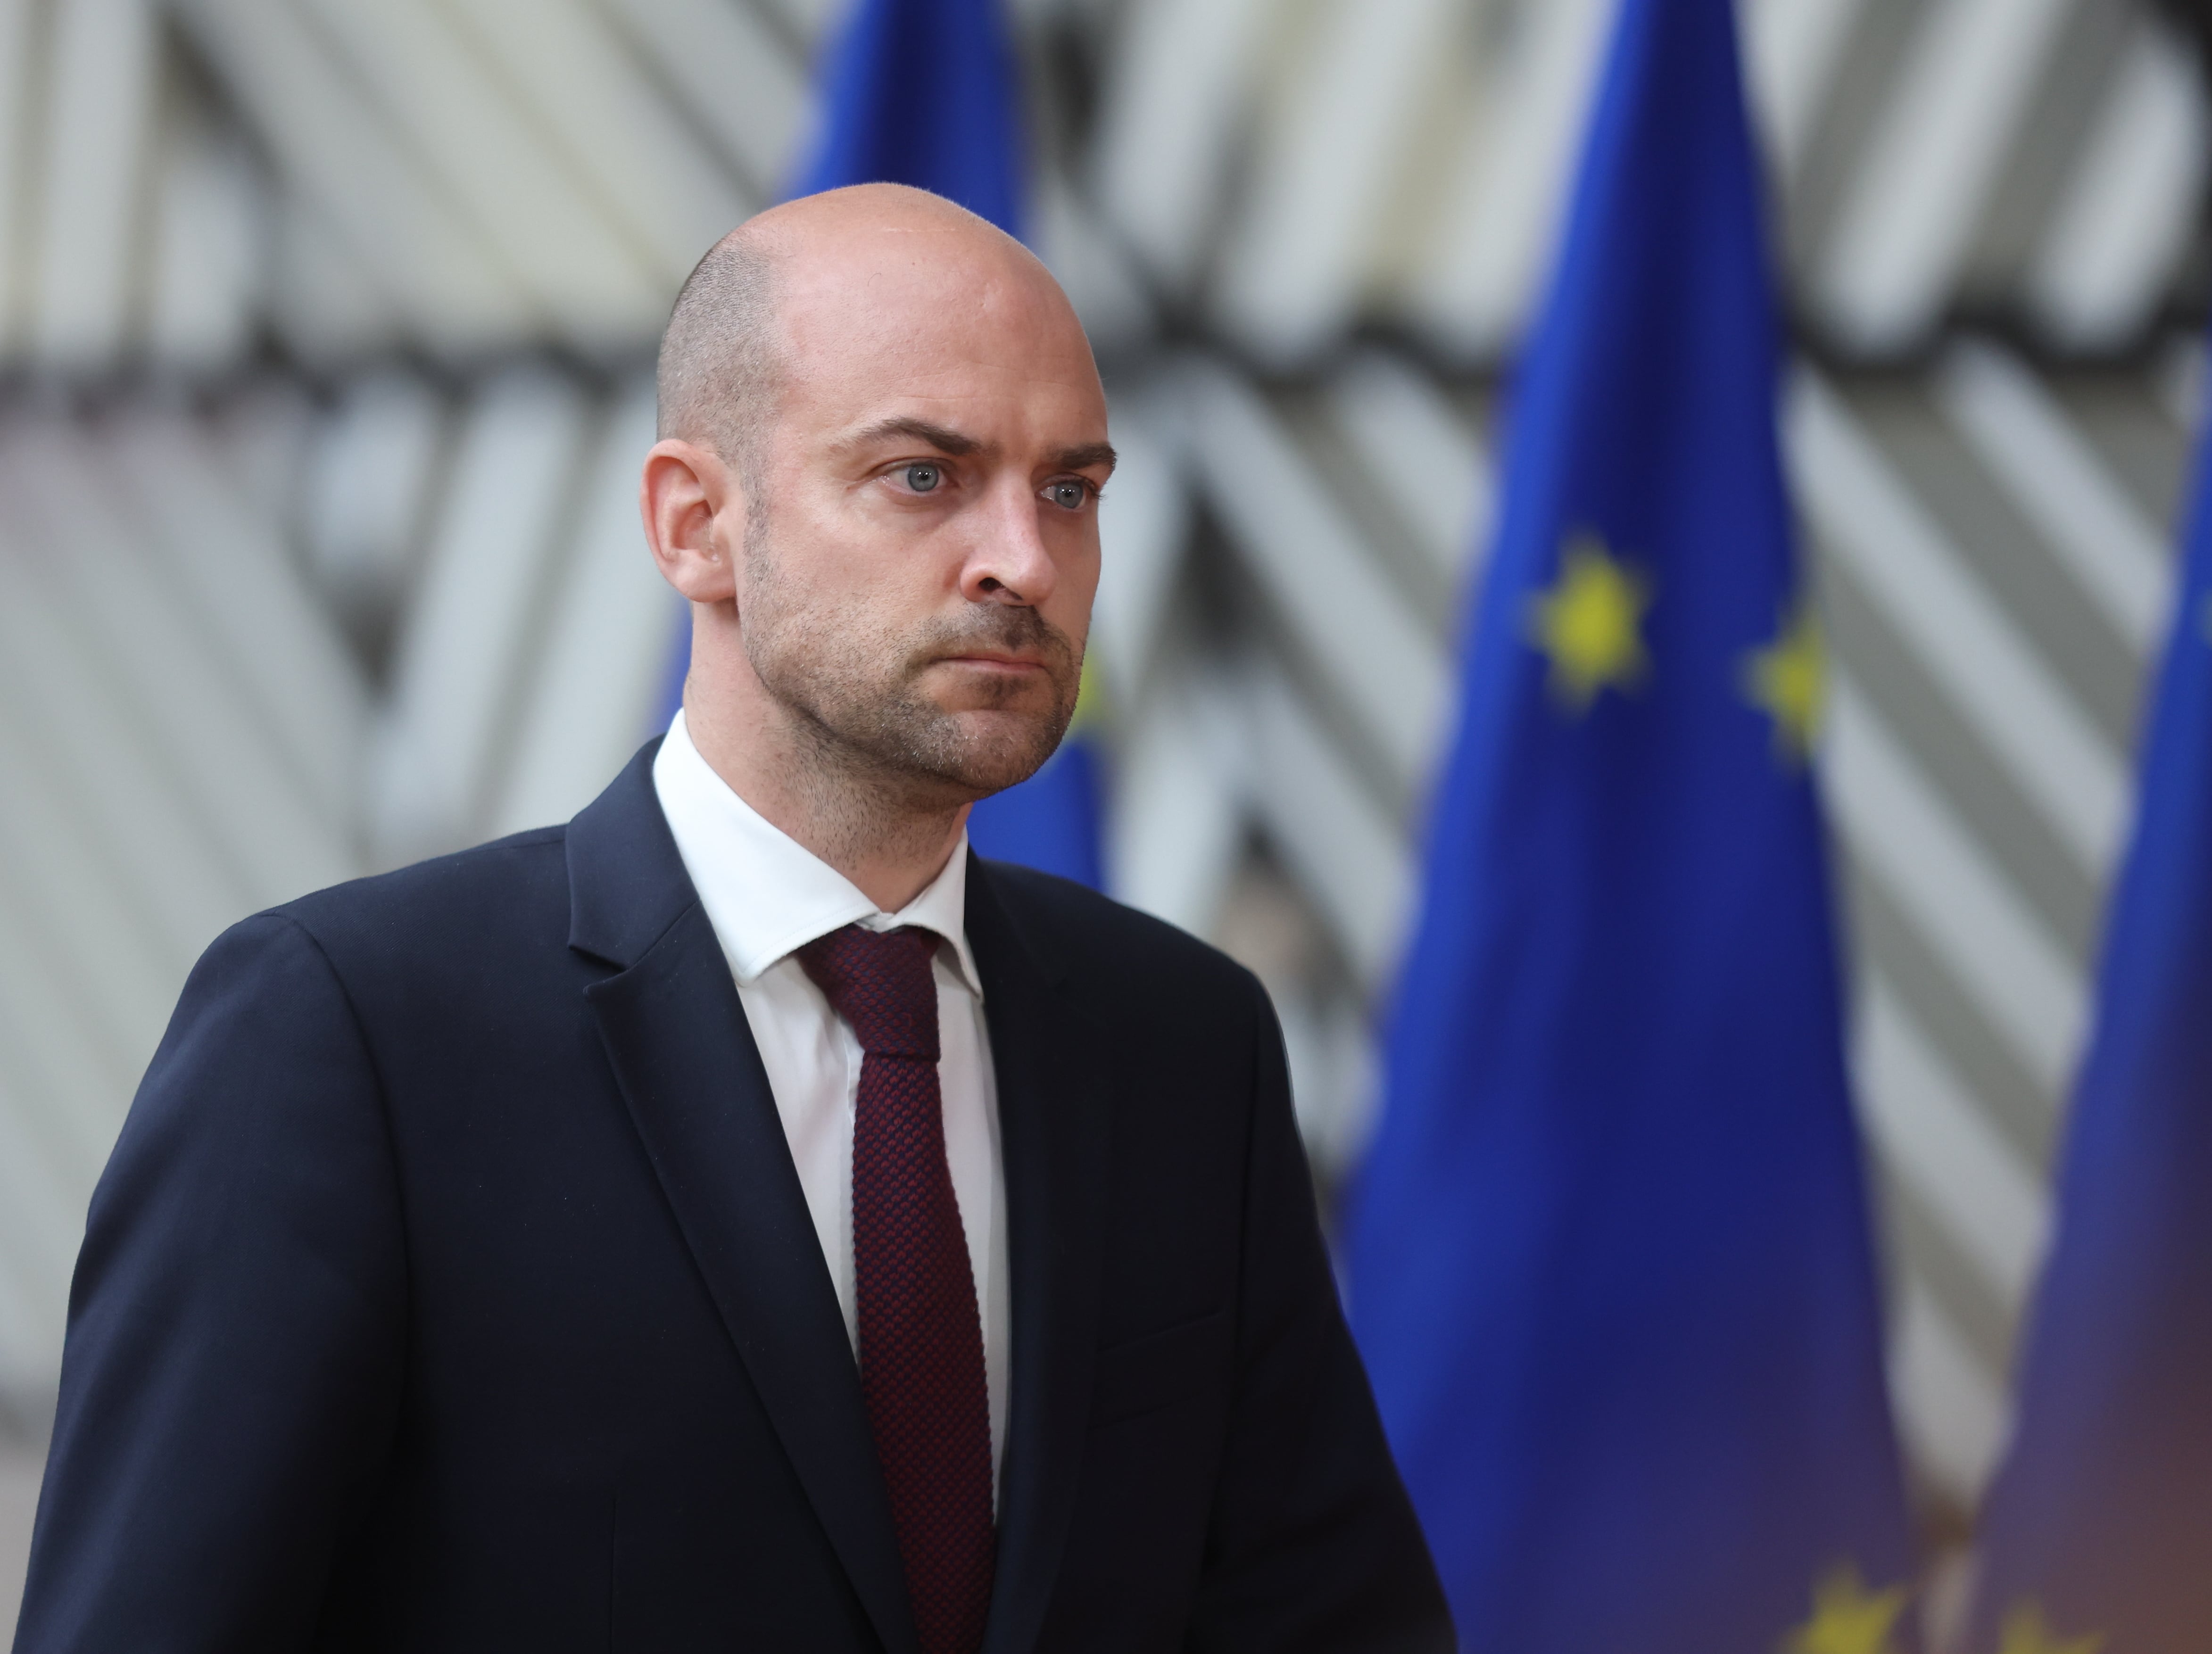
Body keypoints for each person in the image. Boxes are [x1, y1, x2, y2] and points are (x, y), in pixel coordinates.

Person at [14, 185, 1450, 1654]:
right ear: (694, 523)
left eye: (1070, 491)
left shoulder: (1182, 1043)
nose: (1024, 560)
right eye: (922, 475)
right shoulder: (348, 1033)